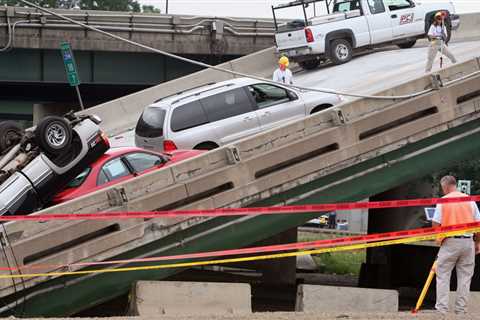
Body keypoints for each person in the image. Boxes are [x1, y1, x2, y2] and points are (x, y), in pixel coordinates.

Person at [432, 175, 480, 315]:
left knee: (443, 275)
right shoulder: (469, 200)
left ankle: (442, 310)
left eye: (442, 188)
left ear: (445, 186)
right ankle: (461, 311)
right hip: (468, 243)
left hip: (450, 242)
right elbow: (478, 224)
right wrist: (477, 243)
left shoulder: (443, 201)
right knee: (465, 278)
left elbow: (436, 222)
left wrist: (438, 238)